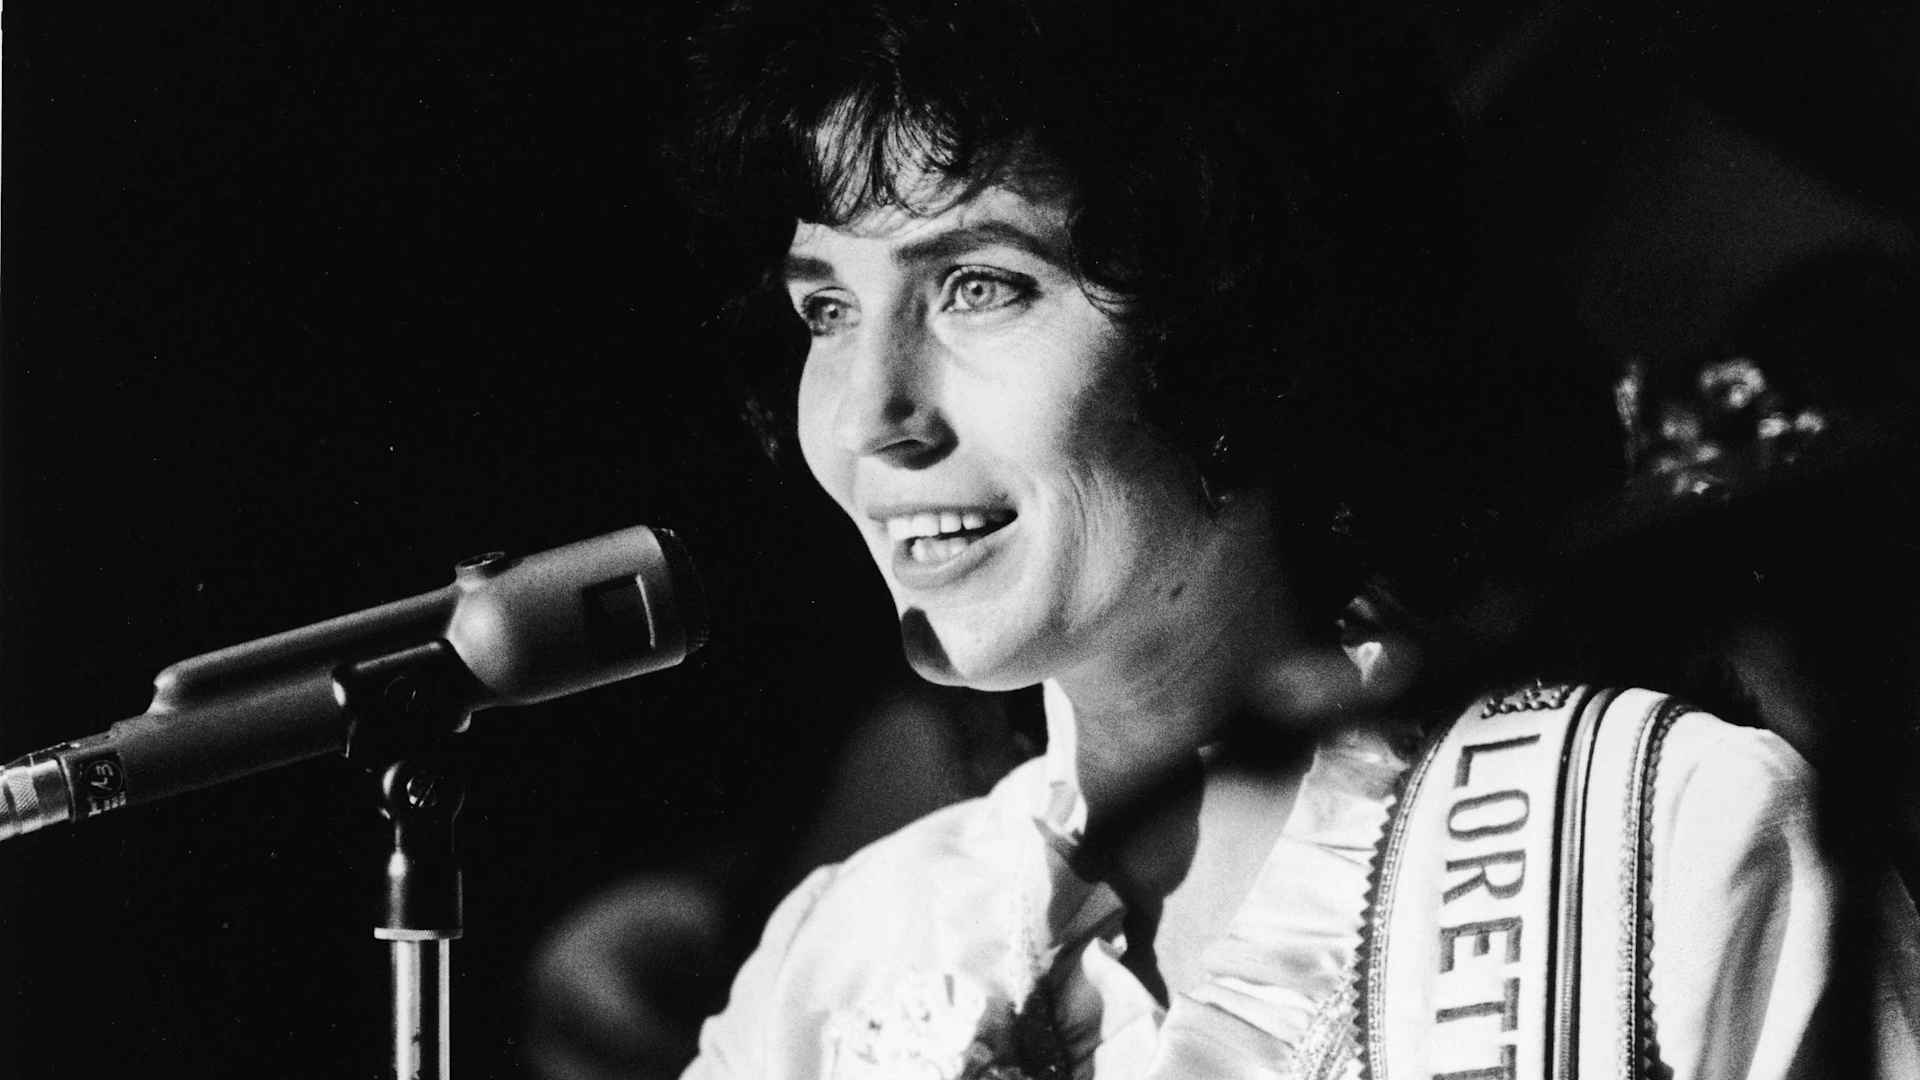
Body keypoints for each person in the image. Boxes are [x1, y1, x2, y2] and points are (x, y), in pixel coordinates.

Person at [645, 0, 1920, 1076]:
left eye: (982, 285)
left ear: (1233, 310)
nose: (870, 414)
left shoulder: (1662, 841)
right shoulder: (838, 968)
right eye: (825, 309)